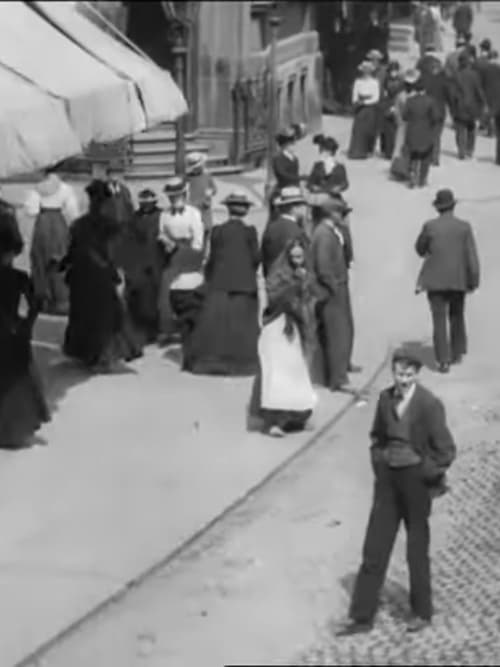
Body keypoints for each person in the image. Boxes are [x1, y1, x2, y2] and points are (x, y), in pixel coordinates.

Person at [337, 348, 456, 637]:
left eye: (408, 374)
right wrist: (379, 462)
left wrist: (424, 471)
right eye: (398, 373)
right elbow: (377, 436)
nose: (402, 380)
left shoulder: (429, 405)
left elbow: (446, 450)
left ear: (417, 373)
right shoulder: (385, 399)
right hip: (388, 481)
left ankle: (421, 612)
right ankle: (361, 617)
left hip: (415, 482)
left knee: (416, 549)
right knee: (375, 546)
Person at [62, 180, 141, 372]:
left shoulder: (78, 225)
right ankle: (101, 356)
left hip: (82, 276)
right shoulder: (112, 226)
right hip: (101, 275)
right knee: (104, 316)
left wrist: (63, 264)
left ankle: (87, 353)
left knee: (85, 314)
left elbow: (72, 252)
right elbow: (117, 253)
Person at [248, 238, 318, 437]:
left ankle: (296, 418)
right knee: (278, 375)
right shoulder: (279, 274)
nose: (297, 261)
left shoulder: (307, 273)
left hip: (298, 328)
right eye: (293, 257)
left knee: (297, 374)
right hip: (279, 326)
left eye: (300, 257)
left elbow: (313, 298)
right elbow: (273, 295)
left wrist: (305, 283)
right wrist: (293, 287)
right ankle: (273, 422)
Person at [186, 191, 259, 376]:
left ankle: (213, 361)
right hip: (243, 283)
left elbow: (213, 257)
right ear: (245, 211)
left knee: (218, 326)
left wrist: (209, 276)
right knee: (241, 326)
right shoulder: (249, 232)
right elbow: (255, 258)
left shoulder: (218, 231)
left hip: (220, 282)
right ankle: (240, 363)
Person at [0, 209, 50, 450]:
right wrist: (26, 326)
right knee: (17, 382)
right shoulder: (19, 278)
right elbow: (36, 303)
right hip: (13, 333)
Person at [415, 188, 480, 373]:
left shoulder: (430, 226)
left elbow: (420, 249)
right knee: (457, 314)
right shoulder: (464, 227)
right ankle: (457, 351)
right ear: (453, 207)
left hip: (434, 280)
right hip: (458, 279)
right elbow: (471, 256)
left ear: (438, 208)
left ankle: (443, 360)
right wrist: (473, 280)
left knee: (438, 318)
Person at [311, 197, 358, 394]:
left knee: (344, 328)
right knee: (336, 332)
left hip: (339, 285)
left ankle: (343, 367)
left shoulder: (332, 232)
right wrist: (332, 286)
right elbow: (323, 267)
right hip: (332, 289)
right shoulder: (323, 235)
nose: (344, 217)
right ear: (332, 214)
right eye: (341, 213)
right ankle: (336, 378)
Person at [157, 176, 205, 358]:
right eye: (171, 197)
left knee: (190, 284)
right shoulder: (165, 214)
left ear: (184, 195)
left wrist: (190, 255)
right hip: (171, 252)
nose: (174, 199)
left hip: (189, 252)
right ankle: (168, 328)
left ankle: (190, 325)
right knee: (165, 285)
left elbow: (198, 240)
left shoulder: (193, 213)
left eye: (177, 196)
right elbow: (161, 233)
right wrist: (166, 242)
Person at [25, 170, 79, 315]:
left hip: (42, 222)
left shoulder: (38, 188)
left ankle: (44, 298)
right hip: (58, 222)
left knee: (40, 260)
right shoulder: (66, 188)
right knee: (60, 259)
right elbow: (73, 212)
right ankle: (61, 299)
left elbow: (31, 211)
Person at [116, 189, 164, 345]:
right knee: (138, 297)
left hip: (156, 260)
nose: (146, 205)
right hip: (138, 262)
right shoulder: (134, 219)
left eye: (149, 201)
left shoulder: (162, 216)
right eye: (144, 202)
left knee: (155, 295)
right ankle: (139, 329)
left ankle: (154, 329)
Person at [261, 186, 308, 278]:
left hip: (273, 281)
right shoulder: (295, 230)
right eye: (301, 206)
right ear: (294, 208)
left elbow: (264, 256)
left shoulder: (271, 228)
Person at [449, 51, 486, 159]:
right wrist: (482, 103)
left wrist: (452, 106)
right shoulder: (474, 75)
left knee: (460, 129)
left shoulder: (456, 75)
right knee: (471, 128)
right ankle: (469, 149)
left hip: (459, 105)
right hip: (472, 106)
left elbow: (452, 92)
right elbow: (479, 91)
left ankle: (461, 150)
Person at [402, 76, 438, 188]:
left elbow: (404, 116)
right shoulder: (430, 101)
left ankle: (412, 174)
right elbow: (435, 117)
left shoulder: (409, 101)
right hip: (426, 132)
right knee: (425, 157)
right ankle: (422, 179)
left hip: (412, 131)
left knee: (413, 155)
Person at [420, 57, 450, 166]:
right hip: (440, 111)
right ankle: (435, 157)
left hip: (427, 110)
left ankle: (428, 155)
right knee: (437, 136)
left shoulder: (425, 79)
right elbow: (449, 96)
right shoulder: (444, 80)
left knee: (428, 134)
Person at [348, 61, 381, 159]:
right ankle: (356, 151)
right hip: (360, 108)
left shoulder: (374, 82)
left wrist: (365, 102)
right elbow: (354, 95)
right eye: (364, 71)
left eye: (367, 71)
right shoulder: (358, 82)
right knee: (358, 130)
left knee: (368, 130)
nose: (365, 73)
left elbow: (376, 97)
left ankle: (367, 150)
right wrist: (357, 102)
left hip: (370, 109)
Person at [390, 70, 418, 181]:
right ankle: (398, 169)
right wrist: (399, 122)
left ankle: (409, 169)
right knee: (399, 147)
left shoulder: (415, 96)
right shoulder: (400, 96)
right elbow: (396, 110)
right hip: (403, 125)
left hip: (412, 125)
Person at [185, 151, 217, 246]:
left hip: (205, 207)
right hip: (193, 207)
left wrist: (211, 192)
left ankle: (204, 252)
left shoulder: (207, 176)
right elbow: (185, 192)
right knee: (195, 232)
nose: (196, 170)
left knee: (207, 230)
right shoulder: (188, 178)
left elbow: (214, 188)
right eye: (194, 168)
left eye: (198, 167)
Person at [380, 61, 404, 160]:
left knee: (396, 129)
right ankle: (387, 151)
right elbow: (383, 92)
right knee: (386, 130)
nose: (393, 73)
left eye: (395, 70)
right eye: (392, 71)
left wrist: (396, 106)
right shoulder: (386, 80)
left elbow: (401, 94)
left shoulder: (401, 82)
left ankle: (395, 150)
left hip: (397, 104)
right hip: (387, 103)